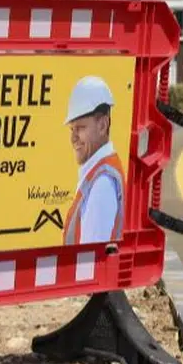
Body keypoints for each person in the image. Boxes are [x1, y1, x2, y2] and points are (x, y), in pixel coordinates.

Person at [62, 75, 126, 245]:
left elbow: (90, 259)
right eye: (72, 129)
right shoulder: (95, 173)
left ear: (103, 126)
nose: (74, 138)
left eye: (81, 128)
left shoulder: (102, 183)